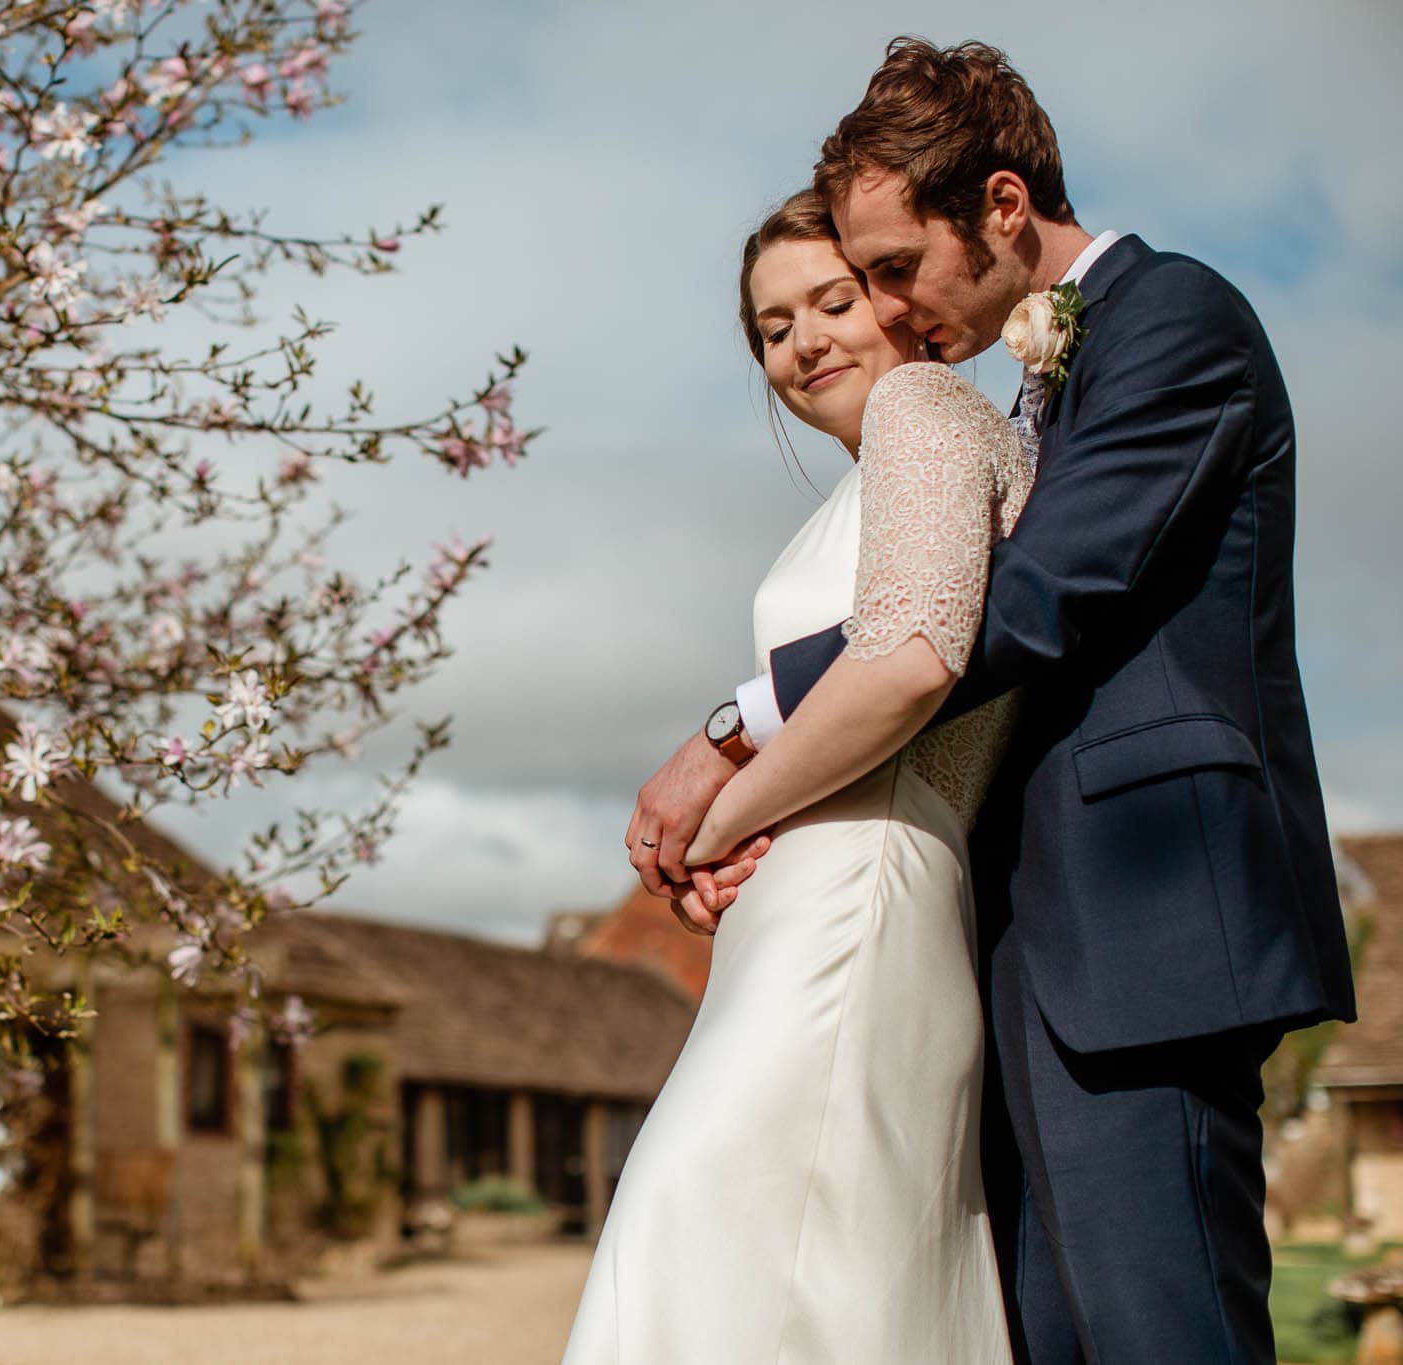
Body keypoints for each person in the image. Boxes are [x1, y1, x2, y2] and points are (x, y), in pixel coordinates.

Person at [627, 39, 1355, 1363]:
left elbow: (1023, 601)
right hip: (1012, 934)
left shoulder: (1174, 319)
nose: (886, 310)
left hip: (1149, 922)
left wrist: (734, 736)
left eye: (893, 268)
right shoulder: (1024, 385)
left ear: (1003, 207)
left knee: (1162, 1333)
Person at [561, 187, 1028, 1362]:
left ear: (897, 296)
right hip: (812, 912)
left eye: (830, 302)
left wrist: (714, 824)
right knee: (774, 1271)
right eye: (772, 329)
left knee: (704, 1235)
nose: (802, 342)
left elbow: (908, 664)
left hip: (855, 905)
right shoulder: (871, 480)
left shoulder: (926, 405)